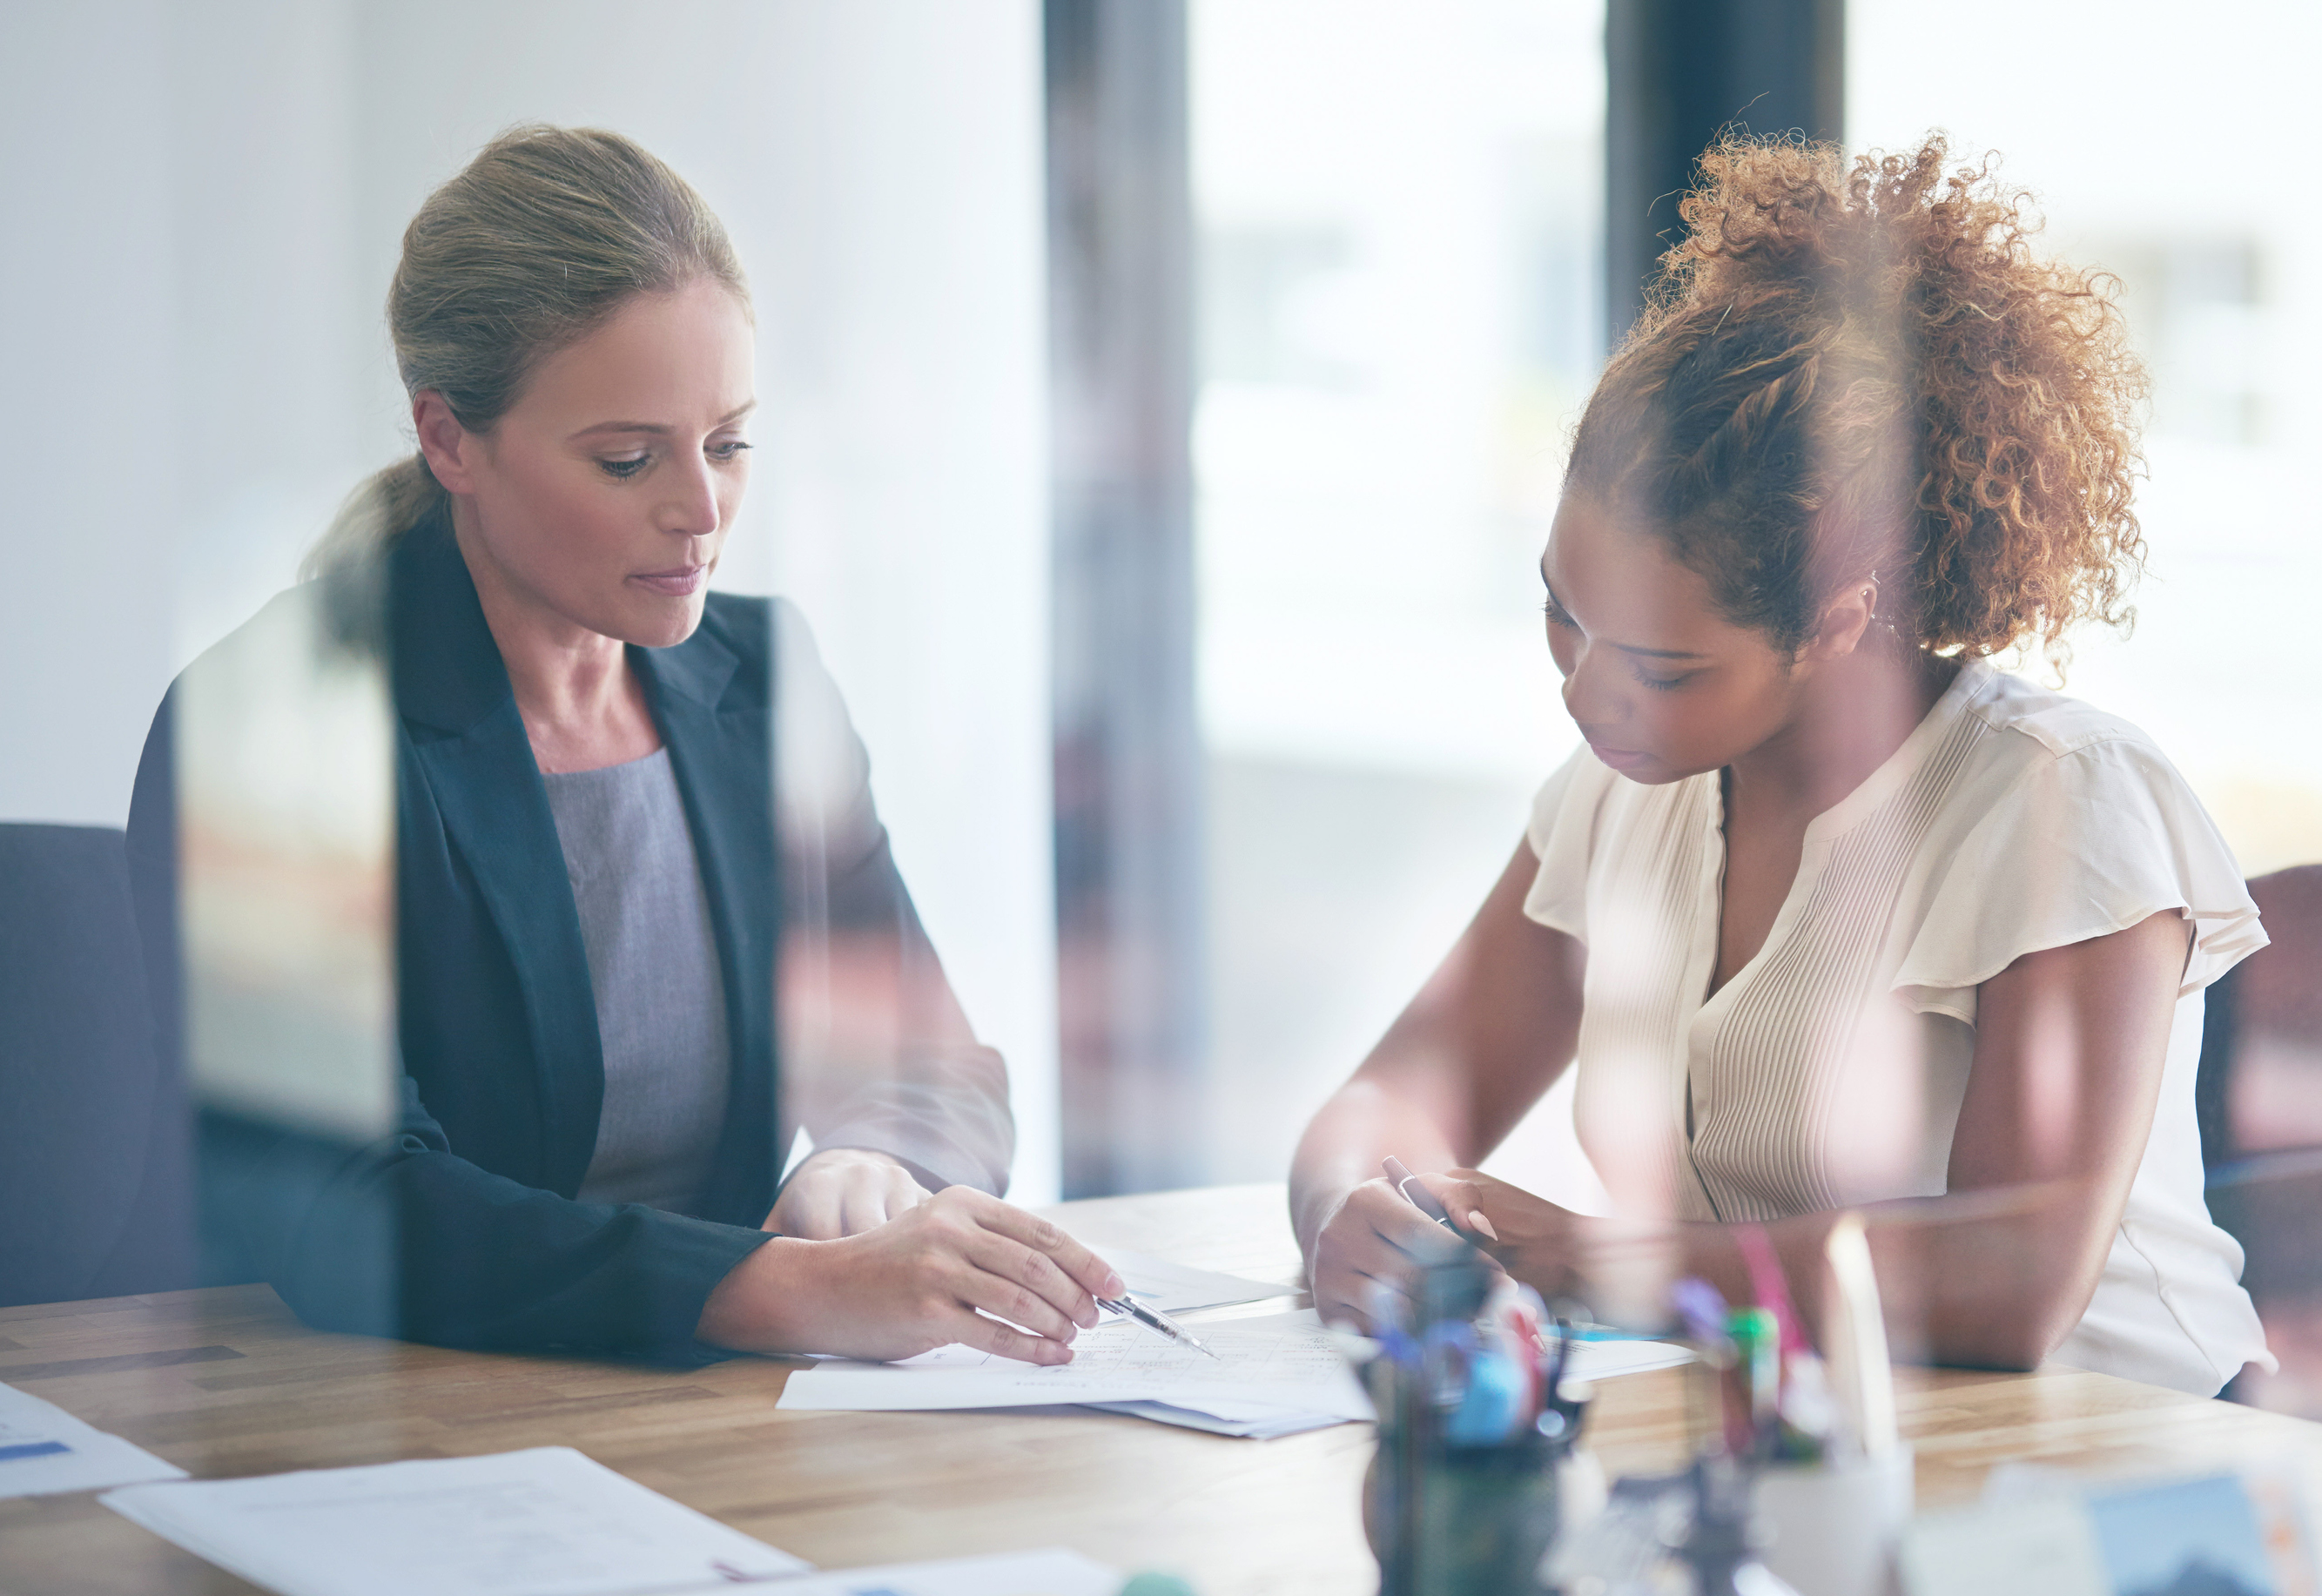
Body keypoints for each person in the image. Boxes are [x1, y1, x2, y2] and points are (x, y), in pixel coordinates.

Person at [1290, 133, 2272, 1397]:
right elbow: (1389, 1096)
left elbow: (2014, 1280)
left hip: (2122, 1472)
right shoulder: (1619, 796)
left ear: (1838, 619)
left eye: (1664, 665)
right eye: (1561, 615)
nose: (1586, 693)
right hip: (1811, 1448)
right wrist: (1354, 1208)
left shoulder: (2056, 797)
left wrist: (1598, 1257)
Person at [126, 125, 1120, 1366]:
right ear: (449, 440)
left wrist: (874, 1166)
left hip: (688, 1428)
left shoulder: (762, 680)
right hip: (353, 1422)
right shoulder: (268, 724)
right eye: (627, 458)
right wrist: (776, 1285)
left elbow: (939, 1066)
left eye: (729, 441)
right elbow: (349, 1204)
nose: (700, 511)